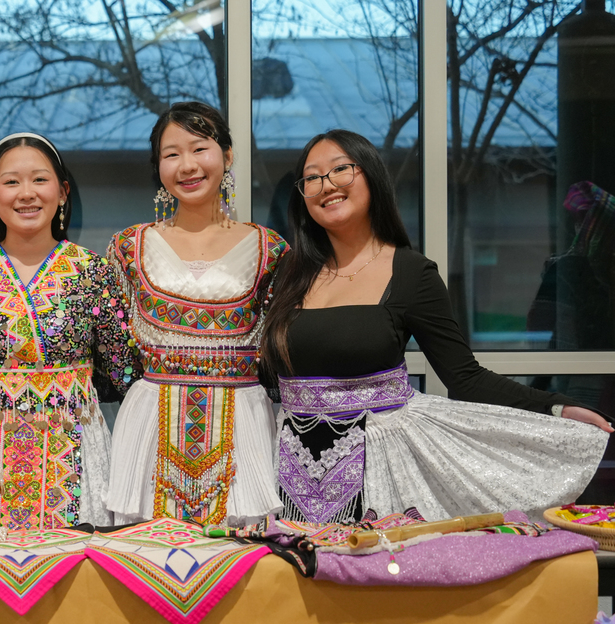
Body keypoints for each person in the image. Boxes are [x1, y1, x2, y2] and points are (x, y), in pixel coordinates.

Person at [262, 128, 611, 523]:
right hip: (283, 475)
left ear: (372, 177)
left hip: (380, 479)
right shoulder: (287, 274)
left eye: (341, 169)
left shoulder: (412, 273)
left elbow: (465, 377)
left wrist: (557, 407)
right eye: (312, 177)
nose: (326, 185)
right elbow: (262, 377)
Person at [0, 132, 137, 532]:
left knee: (76, 570)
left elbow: (123, 373)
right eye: (11, 182)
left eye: (39, 180)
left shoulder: (92, 271)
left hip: (74, 443)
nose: (26, 193)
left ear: (62, 192)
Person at [106, 102, 289, 527]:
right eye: (171, 154)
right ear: (159, 169)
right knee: (145, 558)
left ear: (227, 155)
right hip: (149, 421)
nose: (186, 165)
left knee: (245, 559)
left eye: (199, 148)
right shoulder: (128, 248)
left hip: (243, 421)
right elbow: (114, 349)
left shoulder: (271, 251)